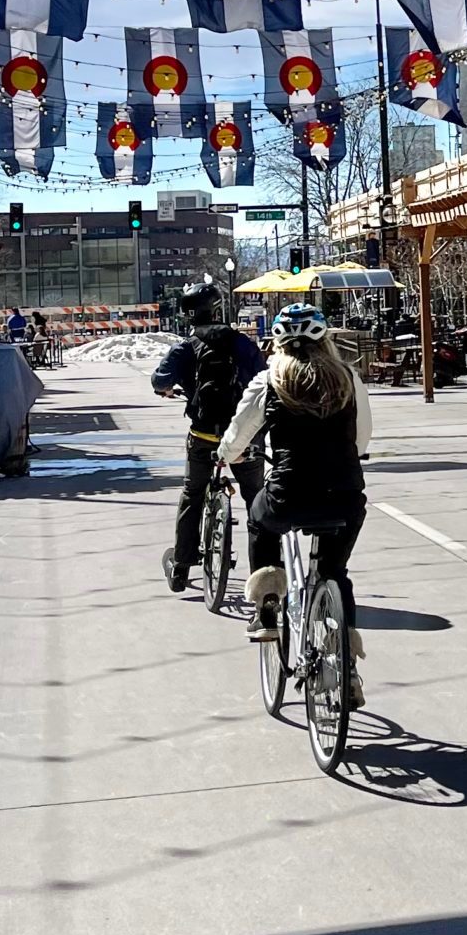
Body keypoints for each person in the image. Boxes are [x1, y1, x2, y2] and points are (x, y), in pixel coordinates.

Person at [215, 303, 371, 707]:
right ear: (327, 341)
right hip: (344, 494)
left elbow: (238, 435)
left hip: (288, 493)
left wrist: (229, 455)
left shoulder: (269, 381)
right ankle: (347, 669)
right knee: (336, 573)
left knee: (259, 520)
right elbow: (362, 438)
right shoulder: (348, 378)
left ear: (278, 343)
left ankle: (268, 604)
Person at [151, 282, 265, 593]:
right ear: (218, 309)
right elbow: (264, 377)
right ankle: (266, 573)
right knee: (256, 498)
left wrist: (169, 389)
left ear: (189, 316)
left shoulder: (185, 347)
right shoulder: (241, 343)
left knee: (193, 494)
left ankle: (181, 567)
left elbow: (160, 379)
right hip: (244, 435)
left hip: (203, 434)